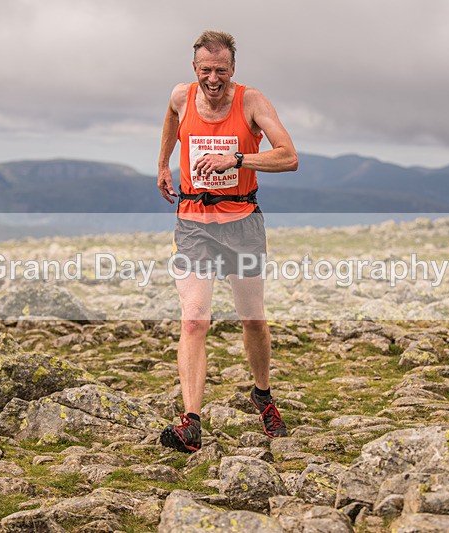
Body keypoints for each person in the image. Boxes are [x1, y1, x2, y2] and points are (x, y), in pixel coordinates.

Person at [157, 30, 298, 452]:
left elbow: (289, 156)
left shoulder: (251, 102)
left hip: (242, 223)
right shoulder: (182, 96)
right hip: (194, 222)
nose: (213, 79)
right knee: (195, 318)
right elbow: (170, 116)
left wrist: (237, 158)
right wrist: (163, 163)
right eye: (205, 70)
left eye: (221, 70)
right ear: (194, 69)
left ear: (233, 69)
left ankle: (262, 394)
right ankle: (191, 423)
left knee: (251, 319)